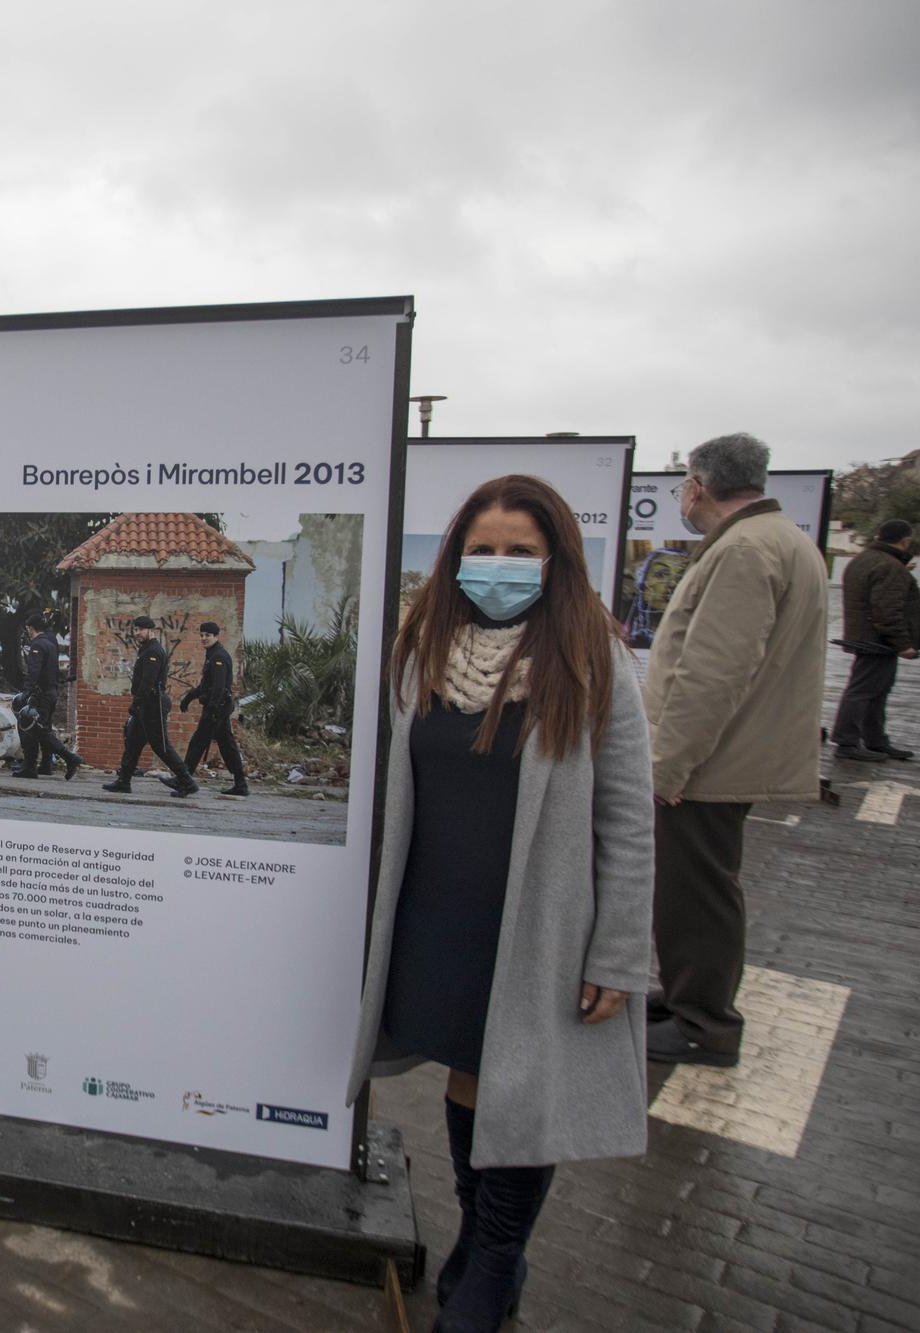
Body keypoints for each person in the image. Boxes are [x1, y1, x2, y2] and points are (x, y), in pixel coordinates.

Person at [347, 475, 653, 1332]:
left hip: (542, 920)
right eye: (483, 547)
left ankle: (494, 1260)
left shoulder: (593, 658)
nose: (499, 564)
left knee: (520, 1085)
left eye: (521, 551)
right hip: (438, 913)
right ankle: (479, 1235)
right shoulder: (420, 649)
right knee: (471, 1070)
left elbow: (628, 818)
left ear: (555, 561)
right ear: (455, 554)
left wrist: (620, 953)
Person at [644, 434, 826, 1069]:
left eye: (683, 487)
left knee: (696, 891)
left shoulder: (746, 549)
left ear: (697, 486)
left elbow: (712, 673)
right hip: (731, 755)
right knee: (691, 888)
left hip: (711, 764)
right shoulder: (778, 539)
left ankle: (703, 1025)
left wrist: (667, 766)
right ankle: (686, 995)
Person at [830, 518, 918, 762]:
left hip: (865, 636)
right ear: (905, 540)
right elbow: (887, 610)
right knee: (864, 691)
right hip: (878, 640)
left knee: (876, 690)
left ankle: (875, 741)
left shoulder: (866, 559)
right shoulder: (889, 566)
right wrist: (903, 644)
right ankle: (848, 742)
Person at [102, 615, 197, 795]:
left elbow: (148, 681)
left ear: (151, 631)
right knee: (133, 741)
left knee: (160, 746)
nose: (137, 633)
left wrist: (136, 703)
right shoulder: (146, 649)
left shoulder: (153, 651)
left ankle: (186, 781)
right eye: (135, 630)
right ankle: (124, 781)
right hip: (145, 704)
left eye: (140, 630)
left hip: (152, 704)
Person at [178, 621, 249, 796]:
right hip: (219, 708)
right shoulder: (212, 654)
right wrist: (189, 697)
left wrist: (212, 710)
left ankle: (184, 781)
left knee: (198, 742)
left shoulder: (218, 656)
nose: (203, 638)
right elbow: (205, 686)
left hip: (217, 708)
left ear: (216, 636)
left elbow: (218, 688)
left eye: (207, 635)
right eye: (201, 635)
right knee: (227, 745)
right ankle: (240, 783)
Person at [14, 613, 81, 780]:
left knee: (34, 729)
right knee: (40, 730)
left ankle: (69, 758)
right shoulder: (50, 644)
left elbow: (34, 671)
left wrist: (26, 692)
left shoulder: (37, 645)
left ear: (31, 628)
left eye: (28, 628)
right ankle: (41, 765)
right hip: (51, 693)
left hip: (40, 694)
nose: (27, 631)